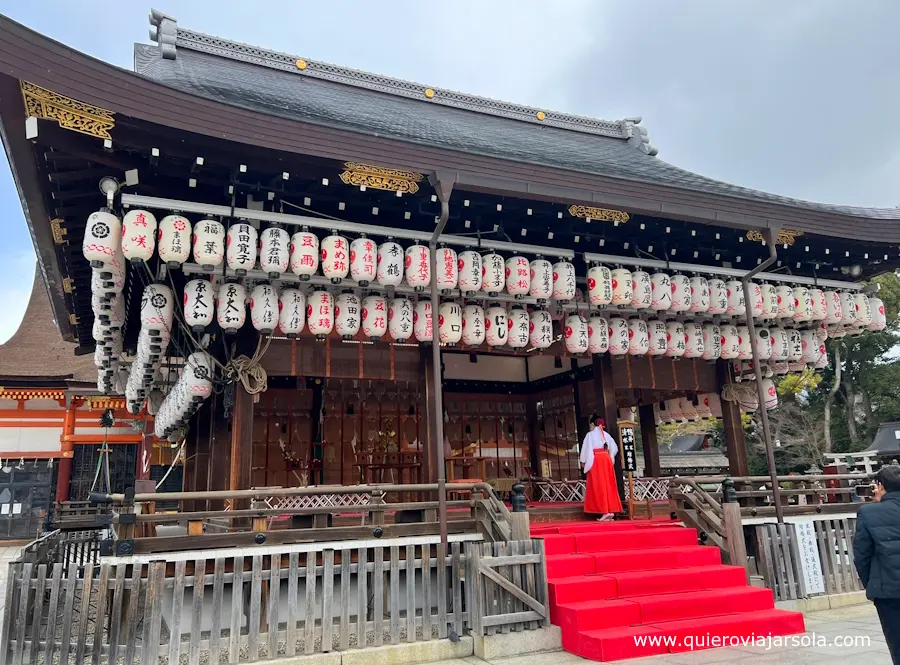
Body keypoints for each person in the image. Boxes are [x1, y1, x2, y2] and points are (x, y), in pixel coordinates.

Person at [854, 465, 900, 663]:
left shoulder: (869, 512)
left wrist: (871, 585)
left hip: (888, 591)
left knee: (898, 644)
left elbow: (861, 556)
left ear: (880, 486)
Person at [579, 414, 623, 521]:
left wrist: (583, 461)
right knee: (608, 484)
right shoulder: (606, 435)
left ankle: (605, 510)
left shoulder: (590, 435)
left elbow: (586, 449)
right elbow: (615, 448)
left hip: (596, 460)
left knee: (599, 485)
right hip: (606, 459)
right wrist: (609, 456)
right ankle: (610, 510)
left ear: (593, 424)